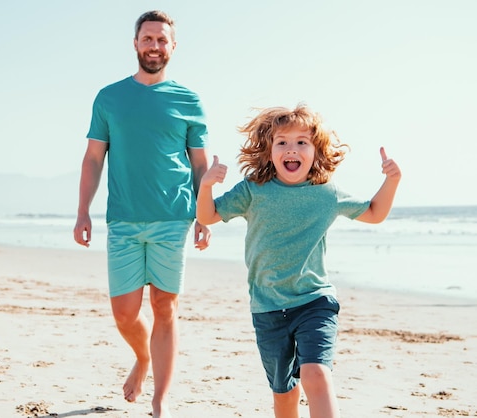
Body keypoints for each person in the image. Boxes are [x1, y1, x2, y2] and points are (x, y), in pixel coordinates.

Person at [196, 104, 401, 418]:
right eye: (282, 142)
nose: (292, 149)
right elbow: (207, 215)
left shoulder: (327, 195)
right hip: (267, 308)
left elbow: (374, 213)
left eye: (302, 142)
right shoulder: (253, 191)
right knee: (284, 392)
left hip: (314, 302)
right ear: (269, 151)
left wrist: (392, 181)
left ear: (316, 151)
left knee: (315, 373)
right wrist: (207, 185)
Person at [72, 10, 211, 418]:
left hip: (174, 217)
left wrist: (205, 214)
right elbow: (94, 158)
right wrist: (83, 211)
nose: (154, 46)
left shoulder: (189, 100)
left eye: (161, 40)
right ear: (135, 44)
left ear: (172, 46)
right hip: (124, 219)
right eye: (147, 39)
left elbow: (200, 165)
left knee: (165, 307)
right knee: (125, 313)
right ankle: (143, 357)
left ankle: (160, 400)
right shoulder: (109, 97)